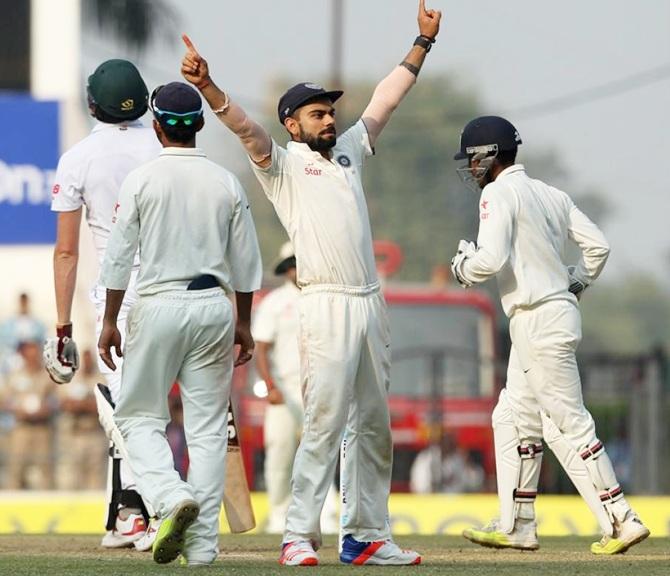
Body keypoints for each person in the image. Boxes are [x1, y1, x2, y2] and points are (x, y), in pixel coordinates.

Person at [180, 0, 441, 566]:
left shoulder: (350, 150)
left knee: (374, 427)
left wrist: (421, 45)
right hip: (322, 303)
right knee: (323, 422)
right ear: (293, 123)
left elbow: (384, 101)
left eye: (329, 111)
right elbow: (246, 128)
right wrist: (210, 87)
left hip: (370, 303)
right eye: (317, 114)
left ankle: (365, 534)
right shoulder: (282, 165)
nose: (329, 119)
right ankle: (299, 534)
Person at [450, 115, 650, 554]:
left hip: (536, 319)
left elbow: (489, 260)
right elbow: (598, 246)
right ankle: (518, 523)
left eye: (472, 159)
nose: (470, 168)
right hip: (551, 313)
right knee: (510, 418)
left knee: (570, 421)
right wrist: (574, 284)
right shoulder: (551, 194)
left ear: (488, 156)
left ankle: (622, 519)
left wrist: (462, 267)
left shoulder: (498, 193)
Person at [97, 81, 262, 566]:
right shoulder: (224, 181)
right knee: (208, 431)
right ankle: (203, 546)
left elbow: (119, 255)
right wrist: (244, 323)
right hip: (215, 305)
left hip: (159, 303)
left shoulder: (144, 179)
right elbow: (247, 262)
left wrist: (109, 320)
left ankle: (169, 497)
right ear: (200, 126)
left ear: (156, 126)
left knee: (137, 418)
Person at [44, 58, 160, 549]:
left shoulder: (79, 157)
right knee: (148, 406)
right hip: (174, 287)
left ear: (93, 104)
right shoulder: (165, 146)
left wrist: (63, 327)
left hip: (120, 297)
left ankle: (143, 510)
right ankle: (127, 512)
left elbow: (67, 250)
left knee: (126, 408)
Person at [253, 242, 339, 535]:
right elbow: (260, 348)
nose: (295, 269)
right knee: (280, 451)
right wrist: (270, 386)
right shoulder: (275, 302)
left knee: (322, 451)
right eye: (290, 264)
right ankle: (279, 513)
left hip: (320, 386)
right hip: (285, 390)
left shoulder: (325, 299)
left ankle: (325, 514)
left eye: (299, 263)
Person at [1, 340, 57, 490]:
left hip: (42, 429)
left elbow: (58, 400)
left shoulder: (47, 375)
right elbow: (4, 401)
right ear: (23, 355)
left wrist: (47, 409)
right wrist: (17, 409)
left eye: (35, 352)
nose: (33, 356)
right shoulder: (14, 376)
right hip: (21, 429)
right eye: (29, 353)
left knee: (45, 470)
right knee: (16, 470)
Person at [56, 349, 107, 490]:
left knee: (95, 477)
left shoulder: (100, 380)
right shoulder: (71, 379)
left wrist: (83, 405)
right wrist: (82, 404)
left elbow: (104, 405)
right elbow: (63, 403)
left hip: (94, 433)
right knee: (71, 477)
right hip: (74, 433)